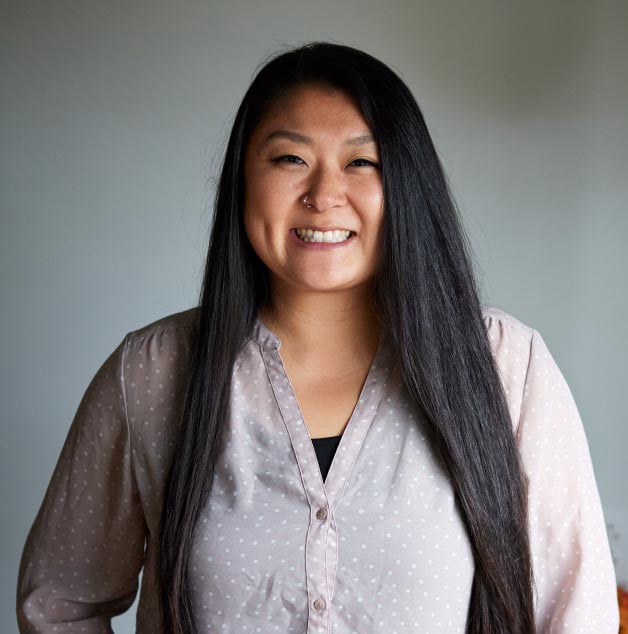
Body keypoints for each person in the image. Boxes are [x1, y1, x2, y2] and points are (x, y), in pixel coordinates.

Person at [16, 41, 619, 634]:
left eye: (363, 162)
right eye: (290, 160)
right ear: (241, 181)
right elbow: (58, 605)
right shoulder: (150, 374)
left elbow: (575, 614)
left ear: (408, 186)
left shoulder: (508, 367)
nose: (324, 195)